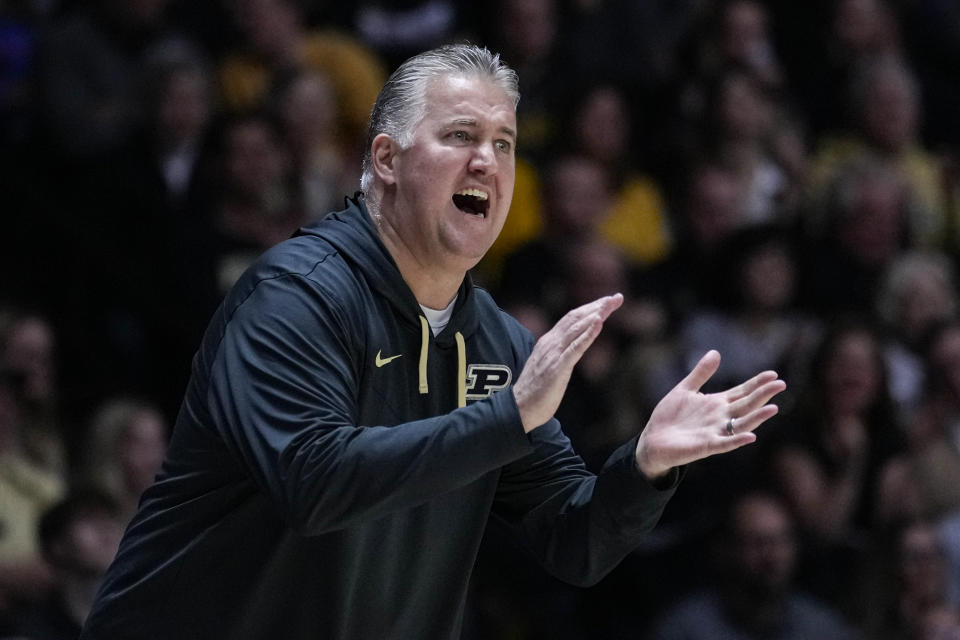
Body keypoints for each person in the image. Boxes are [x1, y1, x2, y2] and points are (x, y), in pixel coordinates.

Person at [80, 44, 786, 640]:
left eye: (504, 144)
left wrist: (645, 465)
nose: (488, 162)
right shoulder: (295, 296)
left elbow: (573, 542)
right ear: (386, 159)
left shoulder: (497, 344)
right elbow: (314, 482)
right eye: (460, 137)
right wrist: (507, 419)